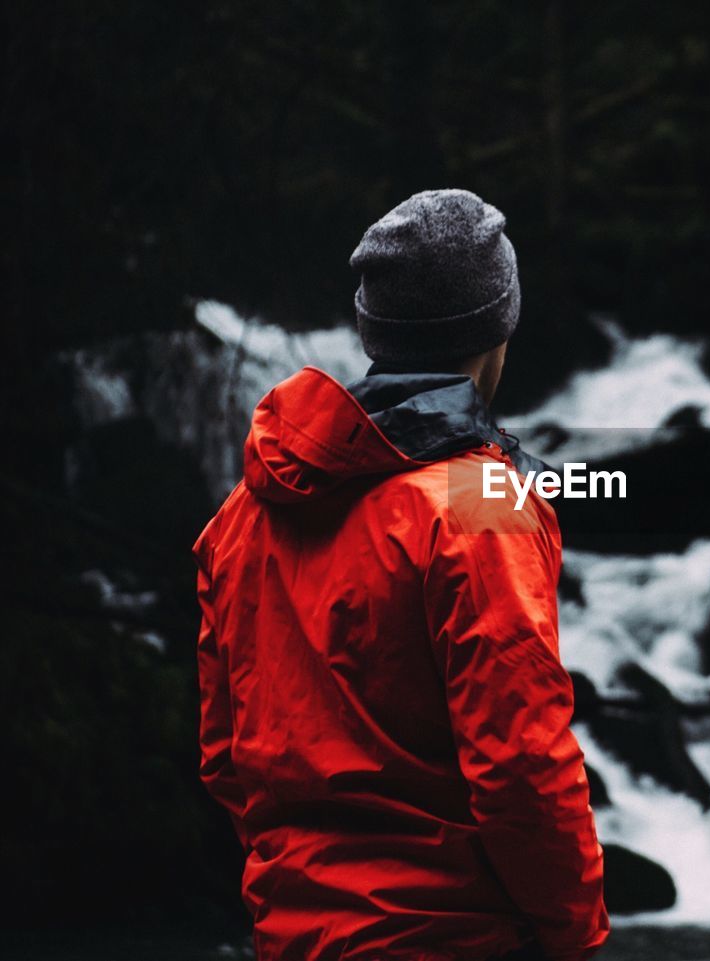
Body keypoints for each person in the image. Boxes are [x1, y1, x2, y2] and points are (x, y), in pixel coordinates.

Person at [194, 189, 609, 961]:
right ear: (497, 328)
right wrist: (575, 933)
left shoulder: (241, 517)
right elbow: (523, 764)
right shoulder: (483, 504)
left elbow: (225, 754)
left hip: (298, 936)